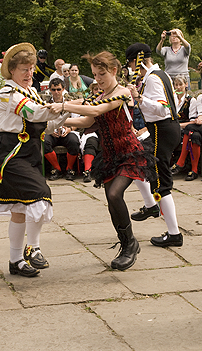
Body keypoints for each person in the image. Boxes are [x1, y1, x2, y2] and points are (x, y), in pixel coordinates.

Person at [47, 51, 156, 270]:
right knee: (111, 200)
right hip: (108, 155)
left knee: (116, 194)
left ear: (114, 71)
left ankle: (131, 244)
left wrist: (64, 106)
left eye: (102, 74)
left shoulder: (123, 93)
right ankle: (126, 244)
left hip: (128, 151)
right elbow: (89, 119)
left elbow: (97, 109)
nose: (98, 79)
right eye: (95, 75)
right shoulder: (99, 94)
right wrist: (59, 120)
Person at [0, 43, 69, 277]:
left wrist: (67, 113)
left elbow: (46, 124)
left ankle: (15, 261)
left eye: (32, 69)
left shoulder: (30, 91)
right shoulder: (8, 93)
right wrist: (65, 104)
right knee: (40, 194)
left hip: (29, 153)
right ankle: (33, 248)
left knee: (20, 208)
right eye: (24, 69)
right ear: (12, 70)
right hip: (10, 155)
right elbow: (34, 114)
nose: (29, 73)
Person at [125, 43, 183, 248]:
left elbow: (162, 108)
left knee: (161, 181)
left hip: (161, 129)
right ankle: (151, 205)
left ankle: (174, 233)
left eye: (131, 64)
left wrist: (139, 97)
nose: (131, 69)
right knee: (136, 161)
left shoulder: (151, 78)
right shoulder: (162, 74)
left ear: (135, 61)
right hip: (164, 129)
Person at [43, 78, 80, 181]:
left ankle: (70, 168)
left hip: (67, 131)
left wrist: (69, 129)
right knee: (44, 141)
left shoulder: (69, 103)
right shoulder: (45, 103)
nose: (56, 92)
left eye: (58, 89)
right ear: (50, 90)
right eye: (53, 89)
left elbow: (77, 120)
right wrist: (50, 130)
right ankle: (56, 168)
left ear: (63, 89)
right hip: (51, 132)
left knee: (74, 141)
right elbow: (41, 121)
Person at [168, 75, 197, 180]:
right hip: (171, 128)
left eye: (180, 84)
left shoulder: (191, 100)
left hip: (185, 128)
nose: (178, 87)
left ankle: (179, 163)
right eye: (176, 85)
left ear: (186, 85)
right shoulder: (172, 100)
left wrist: (178, 125)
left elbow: (193, 121)